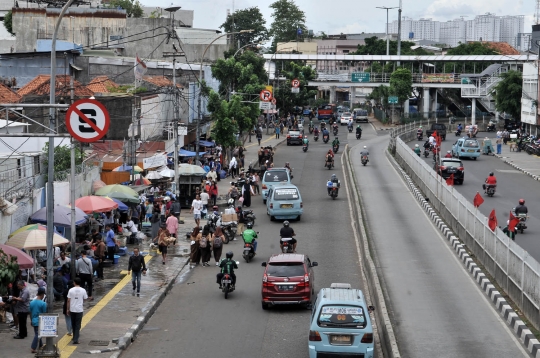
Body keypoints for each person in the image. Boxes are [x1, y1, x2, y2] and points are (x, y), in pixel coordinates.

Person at [67, 277, 88, 344]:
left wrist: (68, 309)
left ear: (74, 282)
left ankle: (74, 337)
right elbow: (85, 299)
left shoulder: (71, 290)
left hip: (72, 309)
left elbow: (68, 300)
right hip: (79, 309)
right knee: (78, 325)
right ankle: (76, 339)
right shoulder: (83, 290)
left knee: (73, 324)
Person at [29, 287, 47, 353]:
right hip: (40, 320)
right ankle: (33, 348)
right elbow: (44, 313)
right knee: (38, 334)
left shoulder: (31, 303)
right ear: (42, 294)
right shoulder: (43, 304)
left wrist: (31, 320)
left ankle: (40, 345)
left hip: (34, 320)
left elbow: (30, 313)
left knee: (38, 333)